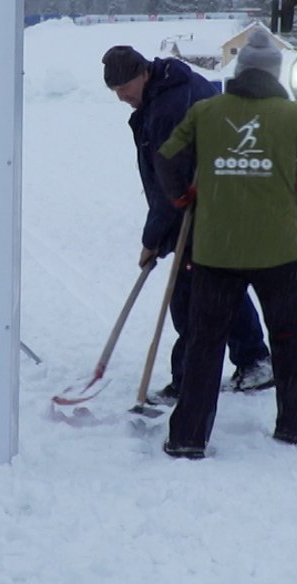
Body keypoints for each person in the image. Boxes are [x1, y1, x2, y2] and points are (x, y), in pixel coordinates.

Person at [156, 27, 297, 459]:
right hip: (276, 253)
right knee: (290, 339)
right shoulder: (291, 115)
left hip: (216, 251)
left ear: (240, 71)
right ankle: (294, 426)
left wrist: (183, 196)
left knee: (204, 345)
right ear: (274, 74)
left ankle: (188, 437)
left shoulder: (206, 110)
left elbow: (166, 158)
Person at [102, 44, 274, 400]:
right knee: (219, 286)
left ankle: (189, 383)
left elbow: (170, 186)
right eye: (115, 92)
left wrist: (153, 240)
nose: (121, 98)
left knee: (188, 299)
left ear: (143, 73)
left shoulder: (168, 107)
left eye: (124, 89)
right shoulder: (166, 90)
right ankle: (255, 360)